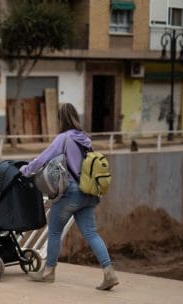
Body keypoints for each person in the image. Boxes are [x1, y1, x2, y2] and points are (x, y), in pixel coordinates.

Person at [19, 103, 119, 291]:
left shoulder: (63, 138)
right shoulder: (85, 139)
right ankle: (109, 273)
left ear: (61, 119)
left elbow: (43, 158)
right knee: (91, 234)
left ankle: (48, 272)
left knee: (55, 231)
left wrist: (25, 170)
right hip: (88, 193)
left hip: (70, 192)